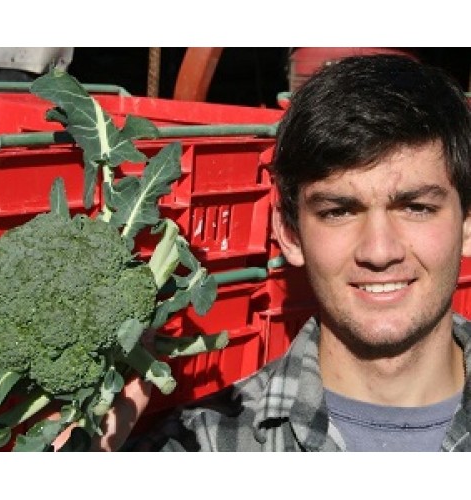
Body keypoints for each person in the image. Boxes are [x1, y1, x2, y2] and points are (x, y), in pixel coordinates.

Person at [70, 54, 471, 452]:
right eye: (339, 212)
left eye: (416, 208)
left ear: (467, 225)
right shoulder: (204, 448)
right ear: (290, 233)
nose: (379, 251)